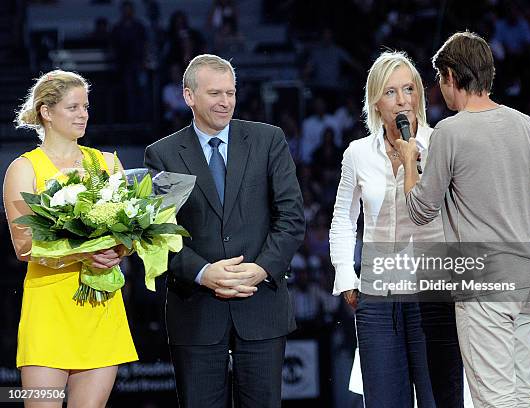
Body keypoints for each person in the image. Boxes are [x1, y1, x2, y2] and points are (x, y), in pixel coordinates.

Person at [393, 32, 530, 407]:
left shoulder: (450, 131)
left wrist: (407, 161)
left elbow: (419, 211)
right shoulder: (527, 126)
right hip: (529, 283)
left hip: (483, 287)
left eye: (439, 81)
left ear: (450, 75)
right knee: (520, 398)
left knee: (496, 401)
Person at [144, 54, 305, 408]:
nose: (225, 101)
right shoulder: (163, 154)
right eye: (215, 93)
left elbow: (291, 216)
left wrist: (261, 268)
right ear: (189, 96)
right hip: (196, 311)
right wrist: (203, 272)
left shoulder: (268, 140)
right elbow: (157, 233)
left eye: (230, 92)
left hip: (260, 303)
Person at [329, 51, 463, 408]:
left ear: (420, 94)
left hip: (432, 288)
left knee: (438, 398)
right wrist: (346, 274)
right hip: (378, 293)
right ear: (376, 100)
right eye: (391, 92)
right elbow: (344, 218)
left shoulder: (442, 144)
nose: (402, 100)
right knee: (385, 400)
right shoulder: (358, 153)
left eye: (409, 89)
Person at [3, 70, 137, 407]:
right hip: (48, 310)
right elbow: (24, 246)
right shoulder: (24, 168)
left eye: (86, 107)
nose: (83, 115)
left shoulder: (107, 162)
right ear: (46, 112)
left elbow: (130, 235)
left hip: (101, 307)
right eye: (73, 107)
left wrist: (119, 250)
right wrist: (84, 253)